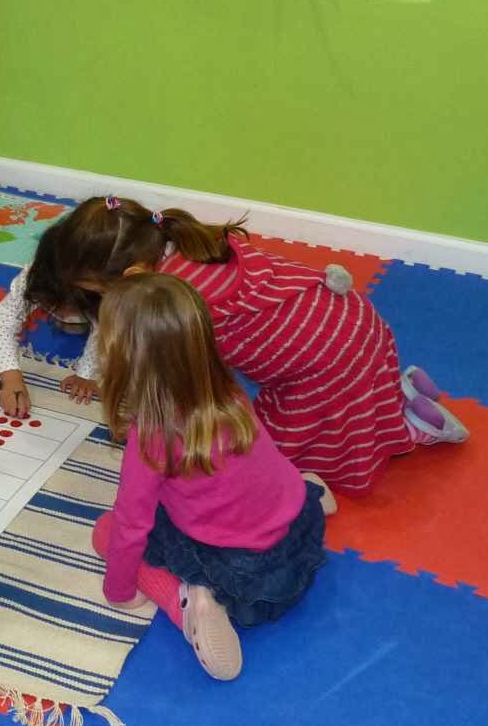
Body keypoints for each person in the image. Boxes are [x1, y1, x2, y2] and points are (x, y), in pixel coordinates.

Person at [0, 196, 466, 495]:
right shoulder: (180, 243)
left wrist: (138, 423)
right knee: (340, 400)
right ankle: (400, 398)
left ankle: (410, 431)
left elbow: (179, 385)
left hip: (327, 366)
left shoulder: (164, 301)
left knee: (266, 461)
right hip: (358, 324)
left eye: (96, 290)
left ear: (131, 276)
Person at [90, 273, 333, 681]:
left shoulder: (152, 435)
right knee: (236, 481)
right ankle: (314, 494)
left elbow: (132, 524)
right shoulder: (230, 391)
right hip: (295, 533)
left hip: (241, 574)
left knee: (105, 532)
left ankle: (189, 601)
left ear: (123, 359)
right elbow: (260, 463)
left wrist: (118, 592)